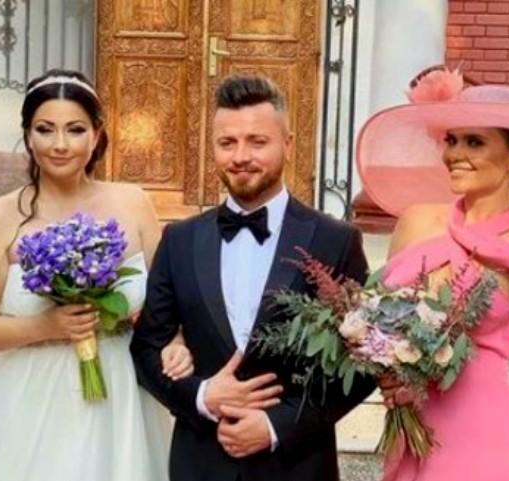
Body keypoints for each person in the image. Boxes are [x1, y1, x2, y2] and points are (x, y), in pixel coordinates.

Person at [0, 68, 193, 481]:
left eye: (75, 130)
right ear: (27, 136)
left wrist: (176, 342)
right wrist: (47, 326)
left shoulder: (133, 203)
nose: (60, 144)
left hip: (121, 395)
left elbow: (169, 305)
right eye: (45, 129)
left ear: (96, 135)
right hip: (28, 399)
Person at [356, 67, 509, 480]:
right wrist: (387, 369)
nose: (455, 153)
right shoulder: (418, 222)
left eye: (475, 142)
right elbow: (378, 321)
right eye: (452, 140)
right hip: (414, 418)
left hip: (483, 425)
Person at [131, 74, 376, 481]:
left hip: (298, 467)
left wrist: (276, 425)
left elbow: (364, 362)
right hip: (201, 464)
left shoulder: (335, 240)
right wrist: (202, 396)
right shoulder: (179, 240)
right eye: (227, 143)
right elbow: (145, 348)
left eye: (257, 142)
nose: (240, 156)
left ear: (288, 144)